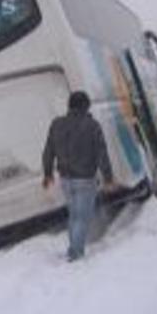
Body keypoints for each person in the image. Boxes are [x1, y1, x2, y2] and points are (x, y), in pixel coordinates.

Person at [42, 91, 115, 262]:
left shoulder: (56, 124)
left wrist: (48, 174)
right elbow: (101, 153)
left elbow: (48, 151)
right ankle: (76, 253)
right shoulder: (92, 126)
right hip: (85, 179)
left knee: (74, 215)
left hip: (65, 179)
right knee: (82, 217)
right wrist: (108, 178)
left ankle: (73, 249)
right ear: (86, 106)